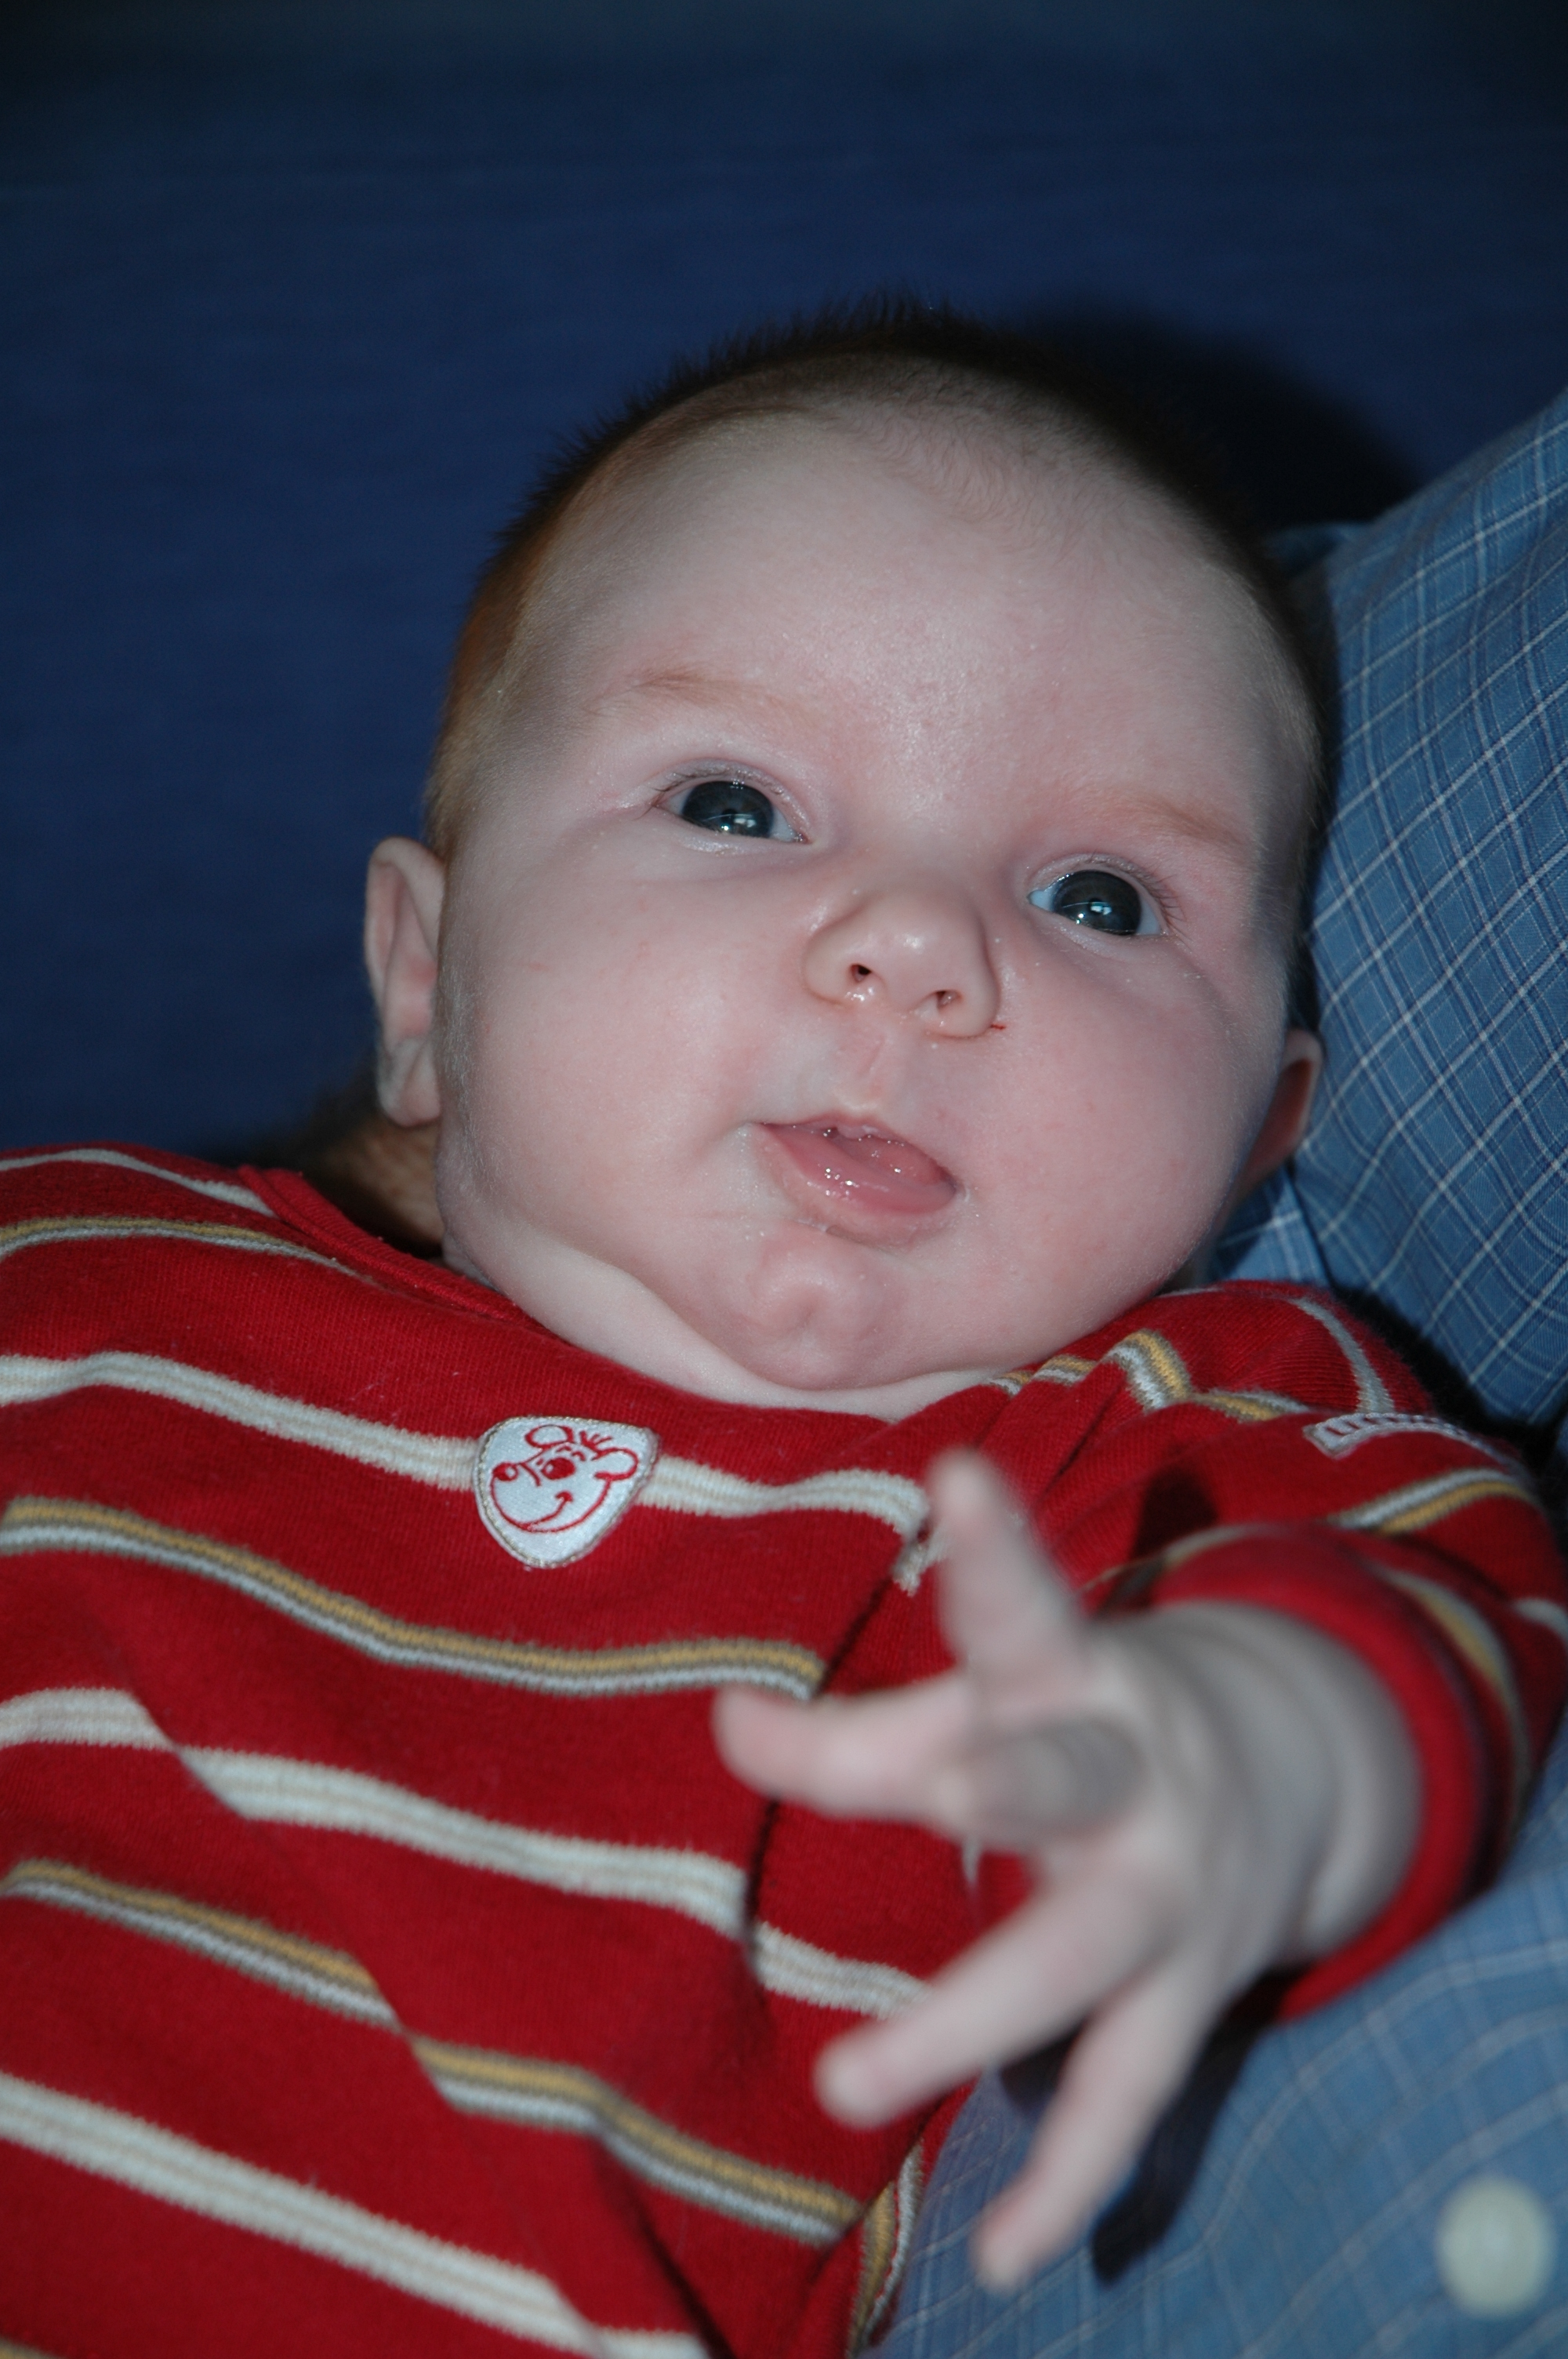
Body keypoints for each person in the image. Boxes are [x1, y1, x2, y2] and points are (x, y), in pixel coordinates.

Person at [0, 313, 1561, 2359]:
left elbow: (1437, 1604)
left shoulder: (1160, 1446)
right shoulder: (75, 1277)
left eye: (1101, 898)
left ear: (1259, 1135)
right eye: (736, 802)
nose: (914, 945)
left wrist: (1247, 1748)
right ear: (427, 980)